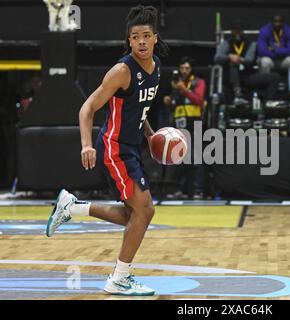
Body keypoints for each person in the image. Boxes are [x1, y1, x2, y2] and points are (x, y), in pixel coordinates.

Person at [46, 5, 169, 296]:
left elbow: (140, 110)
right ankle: (119, 278)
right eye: (135, 36)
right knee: (145, 210)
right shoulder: (122, 70)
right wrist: (86, 144)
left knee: (134, 216)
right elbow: (87, 107)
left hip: (130, 148)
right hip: (113, 148)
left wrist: (152, 137)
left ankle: (72, 207)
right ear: (128, 40)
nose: (140, 41)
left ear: (155, 38)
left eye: (146, 36)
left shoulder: (156, 68)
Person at [163, 57, 206, 199]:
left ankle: (198, 189)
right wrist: (169, 101)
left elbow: (199, 100)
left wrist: (184, 89)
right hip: (179, 123)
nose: (184, 71)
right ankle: (181, 189)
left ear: (191, 69)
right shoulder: (176, 84)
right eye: (182, 68)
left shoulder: (198, 82)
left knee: (196, 156)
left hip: (194, 122)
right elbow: (175, 105)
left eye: (187, 68)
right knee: (179, 156)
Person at [214, 21, 280, 104]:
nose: (237, 33)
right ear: (231, 32)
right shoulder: (226, 43)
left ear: (243, 32)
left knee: (275, 77)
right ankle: (238, 95)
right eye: (235, 31)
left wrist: (239, 59)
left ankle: (268, 102)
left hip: (247, 76)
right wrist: (229, 57)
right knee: (233, 64)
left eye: (239, 31)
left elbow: (249, 60)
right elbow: (217, 58)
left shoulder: (250, 44)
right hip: (230, 77)